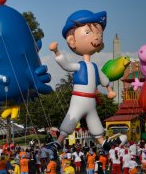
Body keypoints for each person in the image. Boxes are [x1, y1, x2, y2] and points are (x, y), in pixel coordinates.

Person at [48, 10, 125, 152]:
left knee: (94, 121)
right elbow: (66, 65)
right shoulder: (80, 66)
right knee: (71, 118)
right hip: (79, 99)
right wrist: (56, 52)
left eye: (99, 34)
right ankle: (59, 141)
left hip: (91, 102)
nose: (97, 37)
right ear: (72, 40)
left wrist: (109, 90)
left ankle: (103, 143)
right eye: (89, 32)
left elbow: (104, 79)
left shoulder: (95, 67)